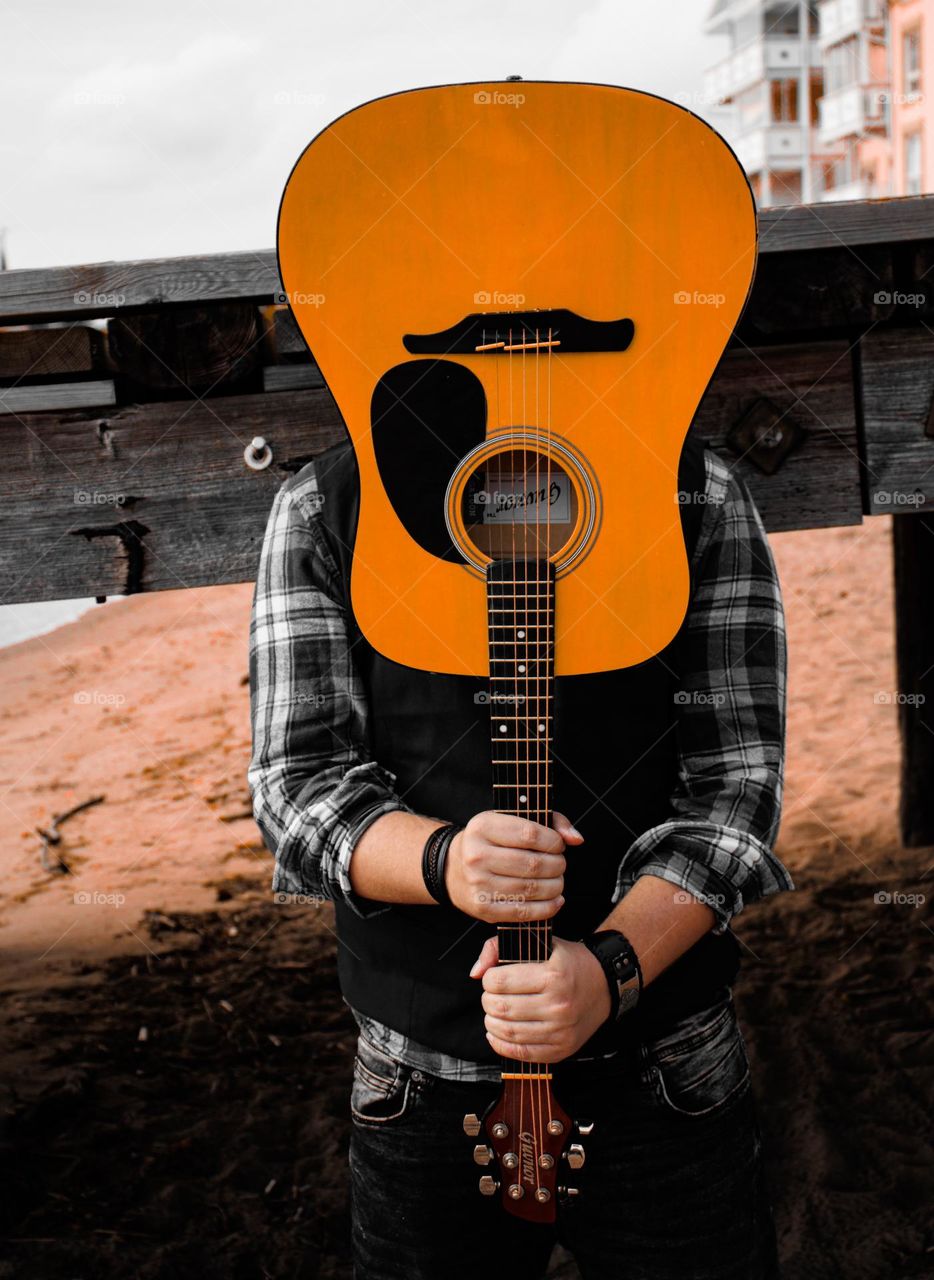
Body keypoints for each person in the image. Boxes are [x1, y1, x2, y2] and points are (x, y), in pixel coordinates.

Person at [247, 428, 793, 1279]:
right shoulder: (326, 505)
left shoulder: (697, 491)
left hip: (663, 1066)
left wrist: (611, 970)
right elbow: (296, 784)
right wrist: (444, 862)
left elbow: (736, 791)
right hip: (417, 1077)